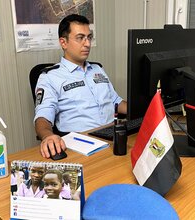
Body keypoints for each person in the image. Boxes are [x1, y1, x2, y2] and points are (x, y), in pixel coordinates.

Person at [34, 14, 127, 158]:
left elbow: (116, 102)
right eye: (80, 38)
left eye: (89, 37)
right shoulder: (50, 77)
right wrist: (47, 136)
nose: (87, 43)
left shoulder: (98, 69)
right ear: (63, 42)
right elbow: (43, 117)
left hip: (113, 138)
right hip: (81, 145)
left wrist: (147, 108)